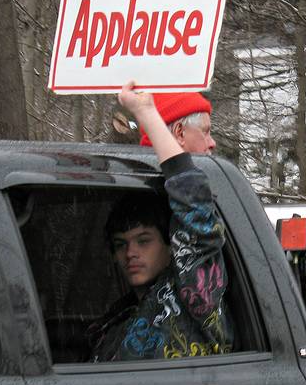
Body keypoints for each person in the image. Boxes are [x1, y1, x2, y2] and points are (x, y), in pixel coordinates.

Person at [88, 83, 232, 361]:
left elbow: (194, 209)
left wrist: (145, 111)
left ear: (172, 243)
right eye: (120, 244)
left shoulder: (194, 296)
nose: (130, 253)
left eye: (144, 240)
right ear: (179, 133)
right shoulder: (110, 323)